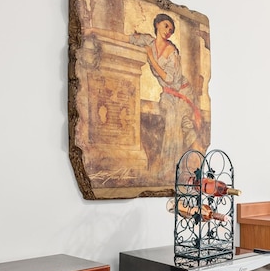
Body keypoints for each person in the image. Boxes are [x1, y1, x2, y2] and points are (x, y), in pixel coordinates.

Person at [85, 14, 203, 178]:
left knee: (175, 119)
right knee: (180, 122)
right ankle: (183, 165)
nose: (168, 31)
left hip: (182, 93)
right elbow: (125, 38)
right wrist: (93, 30)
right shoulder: (148, 41)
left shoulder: (172, 51)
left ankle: (171, 169)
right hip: (169, 94)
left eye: (171, 29)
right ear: (157, 25)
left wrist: (150, 56)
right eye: (166, 25)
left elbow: (169, 79)